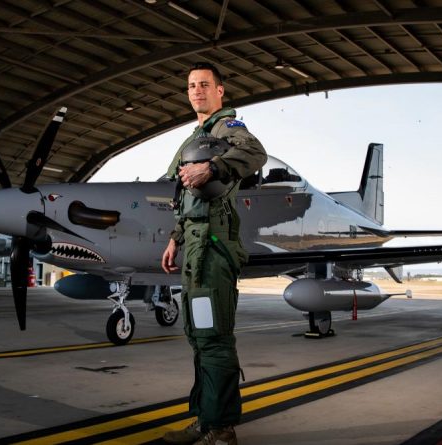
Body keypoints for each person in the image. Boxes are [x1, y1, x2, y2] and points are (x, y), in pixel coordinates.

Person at [161, 62, 267, 445]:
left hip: (212, 245)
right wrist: (175, 237)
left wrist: (215, 167)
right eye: (191, 85)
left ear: (220, 90)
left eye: (204, 84)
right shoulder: (197, 134)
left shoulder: (227, 128)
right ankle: (207, 420)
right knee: (197, 334)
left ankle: (221, 430)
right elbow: (182, 195)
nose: (196, 91)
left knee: (213, 337)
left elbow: (256, 154)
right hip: (193, 245)